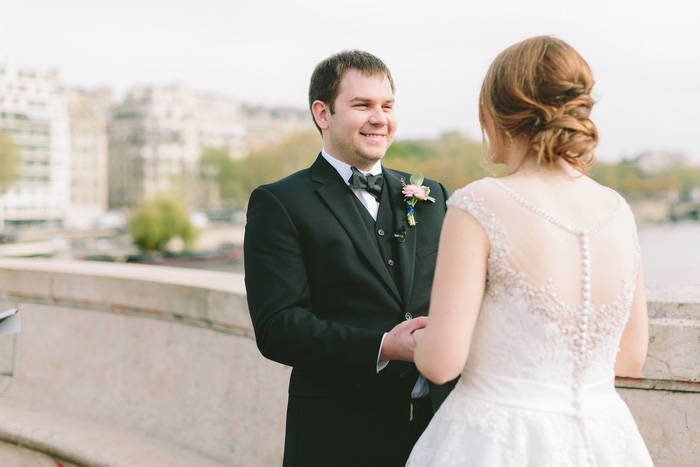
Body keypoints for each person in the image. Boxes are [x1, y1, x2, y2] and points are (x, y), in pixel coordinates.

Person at [407, 36, 653, 466]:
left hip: (497, 438)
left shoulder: (479, 203)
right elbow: (631, 357)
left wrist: (420, 338)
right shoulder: (619, 211)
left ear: (497, 113)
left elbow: (442, 363)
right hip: (603, 437)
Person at [244, 50, 453, 467]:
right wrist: (383, 347)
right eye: (362, 105)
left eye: (387, 106)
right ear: (323, 113)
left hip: (439, 432)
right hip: (337, 436)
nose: (380, 118)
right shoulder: (279, 202)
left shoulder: (432, 195)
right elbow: (278, 327)